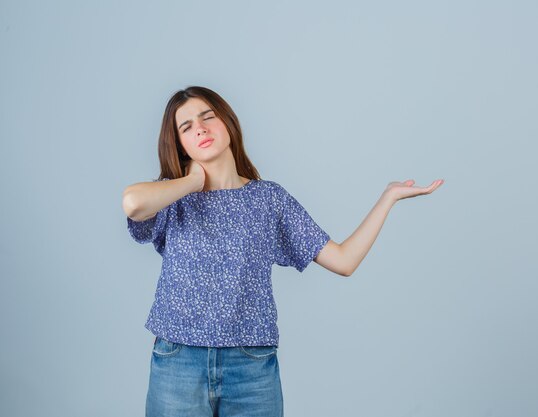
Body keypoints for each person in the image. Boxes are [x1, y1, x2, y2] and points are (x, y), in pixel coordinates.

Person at [122, 86, 444, 417]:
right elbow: (132, 204)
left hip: (250, 368)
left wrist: (387, 197)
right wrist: (192, 181)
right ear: (179, 144)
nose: (200, 129)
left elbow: (345, 261)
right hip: (178, 361)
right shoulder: (172, 197)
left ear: (228, 123)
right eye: (186, 127)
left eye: (208, 117)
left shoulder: (269, 199)